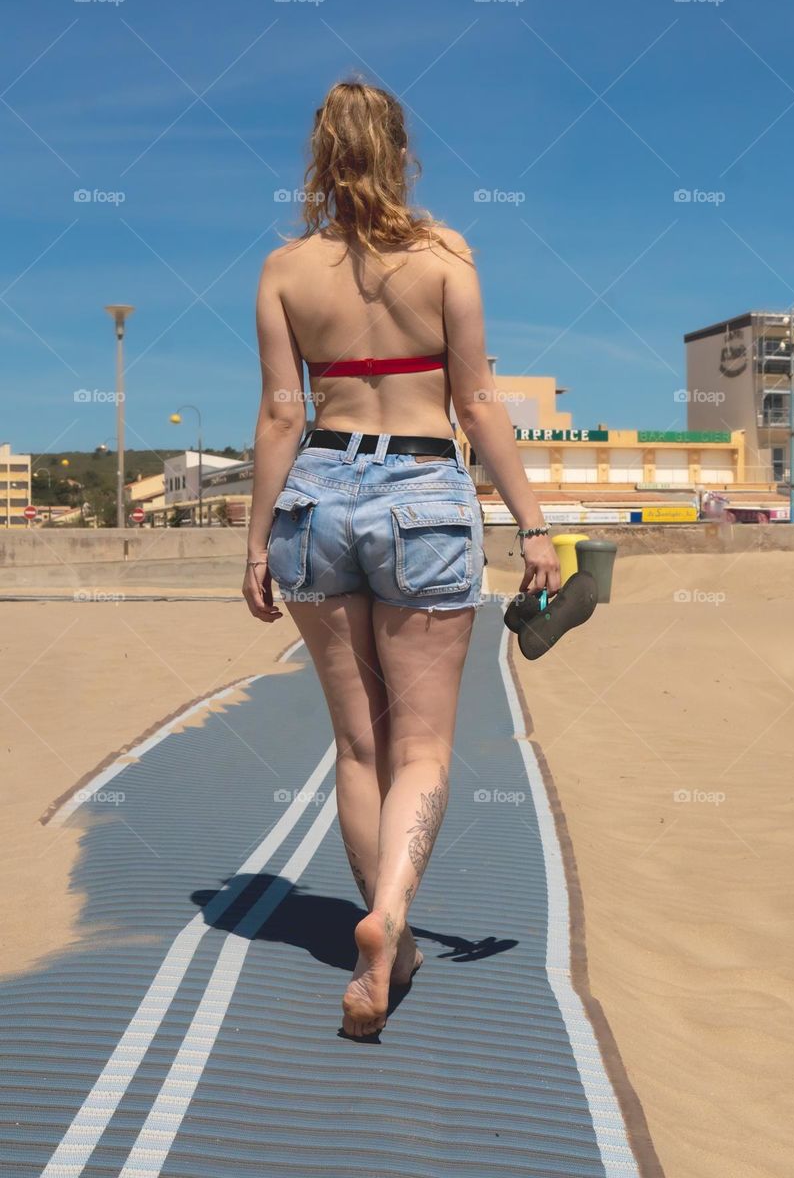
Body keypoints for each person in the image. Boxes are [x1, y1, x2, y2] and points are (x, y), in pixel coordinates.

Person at [243, 78, 560, 1037]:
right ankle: (389, 917)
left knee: (358, 745)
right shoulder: (444, 257)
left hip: (316, 494)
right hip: (422, 490)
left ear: (317, 155)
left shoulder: (284, 269)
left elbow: (281, 416)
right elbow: (477, 405)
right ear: (400, 152)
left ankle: (386, 932)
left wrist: (256, 542)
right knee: (421, 746)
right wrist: (533, 526)